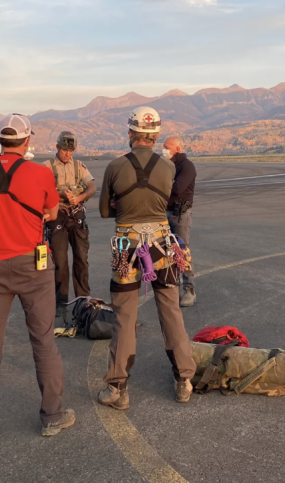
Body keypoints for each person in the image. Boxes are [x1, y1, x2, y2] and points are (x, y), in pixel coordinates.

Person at [0, 114, 75, 443]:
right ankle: (51, 416)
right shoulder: (41, 173)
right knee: (43, 341)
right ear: (27, 141)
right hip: (33, 265)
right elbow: (52, 212)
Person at [97, 107, 196, 410]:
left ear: (130, 133)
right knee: (170, 309)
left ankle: (117, 388)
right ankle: (184, 379)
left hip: (126, 243)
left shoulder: (115, 166)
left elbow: (104, 211)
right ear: (154, 136)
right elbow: (161, 202)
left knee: (125, 314)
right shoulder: (168, 167)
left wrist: (120, 205)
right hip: (161, 242)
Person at [43, 131, 96, 314]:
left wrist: (80, 197)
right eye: (65, 150)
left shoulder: (79, 166)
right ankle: (61, 301)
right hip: (57, 215)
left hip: (76, 214)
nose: (67, 153)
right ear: (57, 147)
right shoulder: (47, 167)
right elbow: (41, 189)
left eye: (71, 150)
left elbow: (92, 187)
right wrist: (59, 195)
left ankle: (83, 298)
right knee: (60, 260)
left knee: (81, 258)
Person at [163, 136, 197, 307]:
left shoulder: (187, 166)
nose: (164, 150)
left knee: (182, 251)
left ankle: (189, 289)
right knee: (167, 252)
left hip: (180, 215)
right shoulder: (168, 165)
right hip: (165, 213)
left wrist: (160, 182)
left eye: (167, 147)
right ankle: (172, 288)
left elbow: (177, 188)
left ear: (177, 148)